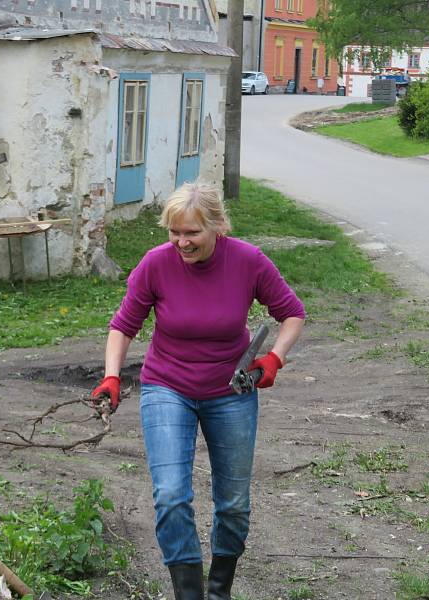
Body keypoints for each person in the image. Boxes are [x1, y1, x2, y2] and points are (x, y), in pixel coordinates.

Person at [91, 182, 305, 600]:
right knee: (170, 495)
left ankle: (219, 591)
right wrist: (112, 375)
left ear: (217, 227)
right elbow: (123, 325)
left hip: (231, 391)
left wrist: (274, 359)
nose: (181, 242)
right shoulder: (156, 264)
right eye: (174, 232)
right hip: (167, 386)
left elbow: (292, 314)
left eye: (192, 233)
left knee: (234, 503)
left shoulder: (247, 261)